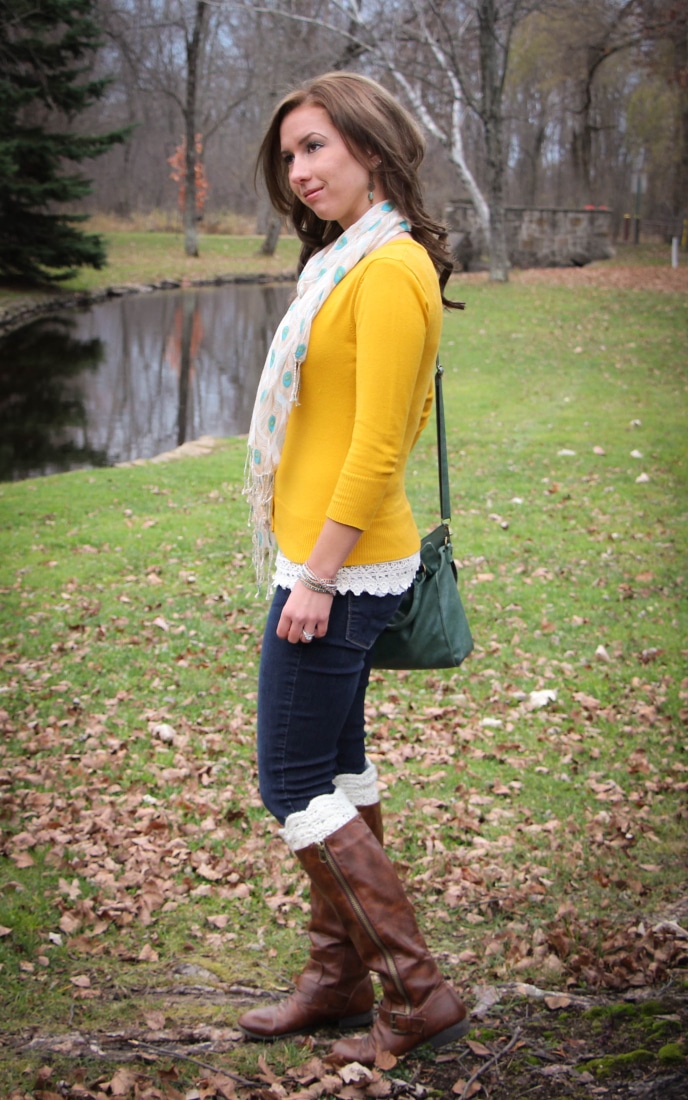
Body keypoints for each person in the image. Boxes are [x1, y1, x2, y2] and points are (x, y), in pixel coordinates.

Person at [239, 72, 468, 1066]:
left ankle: (414, 987)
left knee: (288, 777)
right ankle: (338, 973)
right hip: (322, 553)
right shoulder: (342, 261)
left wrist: (317, 577)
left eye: (316, 147)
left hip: (347, 565)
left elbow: (380, 444)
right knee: (330, 762)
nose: (299, 171)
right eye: (290, 156)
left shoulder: (392, 269)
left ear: (370, 148)